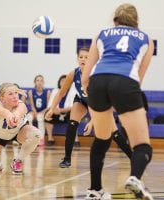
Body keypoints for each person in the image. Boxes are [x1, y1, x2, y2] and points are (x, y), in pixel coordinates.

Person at [81, 3, 154, 200]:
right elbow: (138, 77)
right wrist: (120, 97)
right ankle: (135, 178)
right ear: (136, 22)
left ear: (115, 21)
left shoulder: (102, 34)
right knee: (142, 146)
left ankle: (94, 190)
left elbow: (85, 77)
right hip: (125, 82)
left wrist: (97, 100)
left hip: (97, 82)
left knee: (102, 138)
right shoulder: (147, 39)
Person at [45, 47, 132, 168]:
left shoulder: (96, 75)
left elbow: (98, 102)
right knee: (72, 125)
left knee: (114, 132)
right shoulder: (73, 73)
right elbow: (61, 93)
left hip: (101, 103)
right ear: (77, 59)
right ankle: (67, 159)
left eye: (86, 57)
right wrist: (51, 109)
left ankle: (133, 157)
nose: (83, 59)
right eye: (81, 57)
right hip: (82, 100)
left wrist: (92, 122)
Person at [0, 83, 41, 175]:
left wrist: (16, 116)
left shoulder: (20, 104)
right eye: (10, 94)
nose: (15, 96)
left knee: (36, 134)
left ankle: (18, 161)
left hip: (19, 132)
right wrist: (9, 115)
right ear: (2, 98)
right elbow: (0, 111)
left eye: (16, 93)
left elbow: (21, 110)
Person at [45, 74, 76, 146]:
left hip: (67, 113)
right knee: (48, 114)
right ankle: (50, 139)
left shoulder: (73, 92)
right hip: (56, 112)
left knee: (74, 115)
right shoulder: (55, 91)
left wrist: (61, 110)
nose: (64, 82)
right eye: (62, 81)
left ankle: (75, 139)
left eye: (66, 81)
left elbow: (74, 107)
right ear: (59, 82)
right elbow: (50, 105)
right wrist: (53, 110)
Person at [27, 75, 51, 145]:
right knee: (29, 117)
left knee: (40, 117)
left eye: (41, 80)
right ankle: (31, 138)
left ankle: (41, 139)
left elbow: (48, 106)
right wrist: (35, 112)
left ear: (43, 82)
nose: (39, 82)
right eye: (38, 80)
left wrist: (40, 113)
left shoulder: (47, 92)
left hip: (43, 111)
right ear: (35, 82)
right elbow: (32, 105)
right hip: (34, 111)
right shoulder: (31, 92)